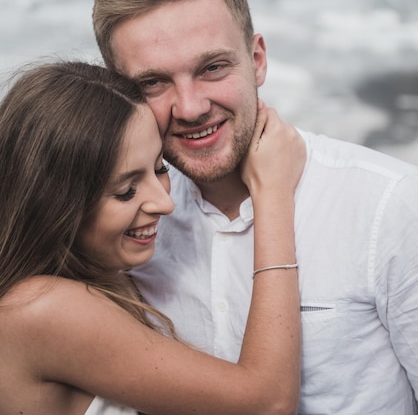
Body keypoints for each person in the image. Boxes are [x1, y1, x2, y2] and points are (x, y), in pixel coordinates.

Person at [93, 0, 418, 414]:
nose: (191, 107)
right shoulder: (121, 229)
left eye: (212, 67)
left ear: (258, 59)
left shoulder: (389, 205)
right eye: (153, 82)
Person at [0, 59, 304, 415]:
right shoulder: (42, 307)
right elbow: (268, 403)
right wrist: (272, 194)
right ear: (55, 207)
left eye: (160, 169)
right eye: (127, 190)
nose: (165, 203)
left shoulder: (72, 288)